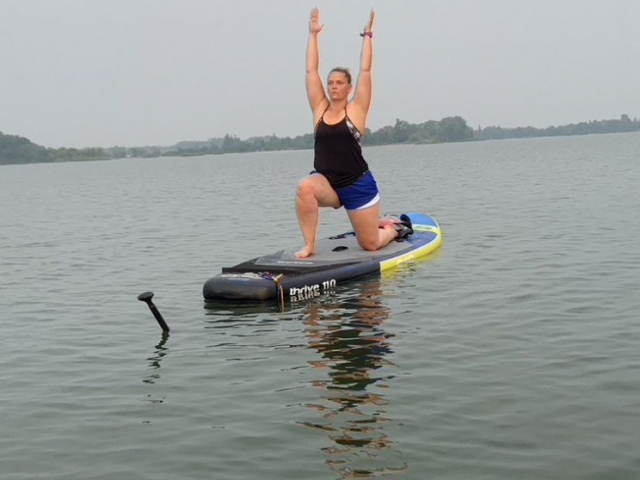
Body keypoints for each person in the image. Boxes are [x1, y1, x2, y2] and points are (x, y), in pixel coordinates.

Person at [295, 8, 412, 259]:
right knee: (305, 187)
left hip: (357, 184)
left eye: (339, 83)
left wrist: (368, 35)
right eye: (331, 83)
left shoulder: (356, 110)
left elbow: (366, 70)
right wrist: (313, 35)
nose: (334, 86)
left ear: (349, 87)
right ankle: (309, 245)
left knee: (369, 244)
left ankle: (393, 227)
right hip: (327, 183)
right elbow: (310, 71)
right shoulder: (320, 109)